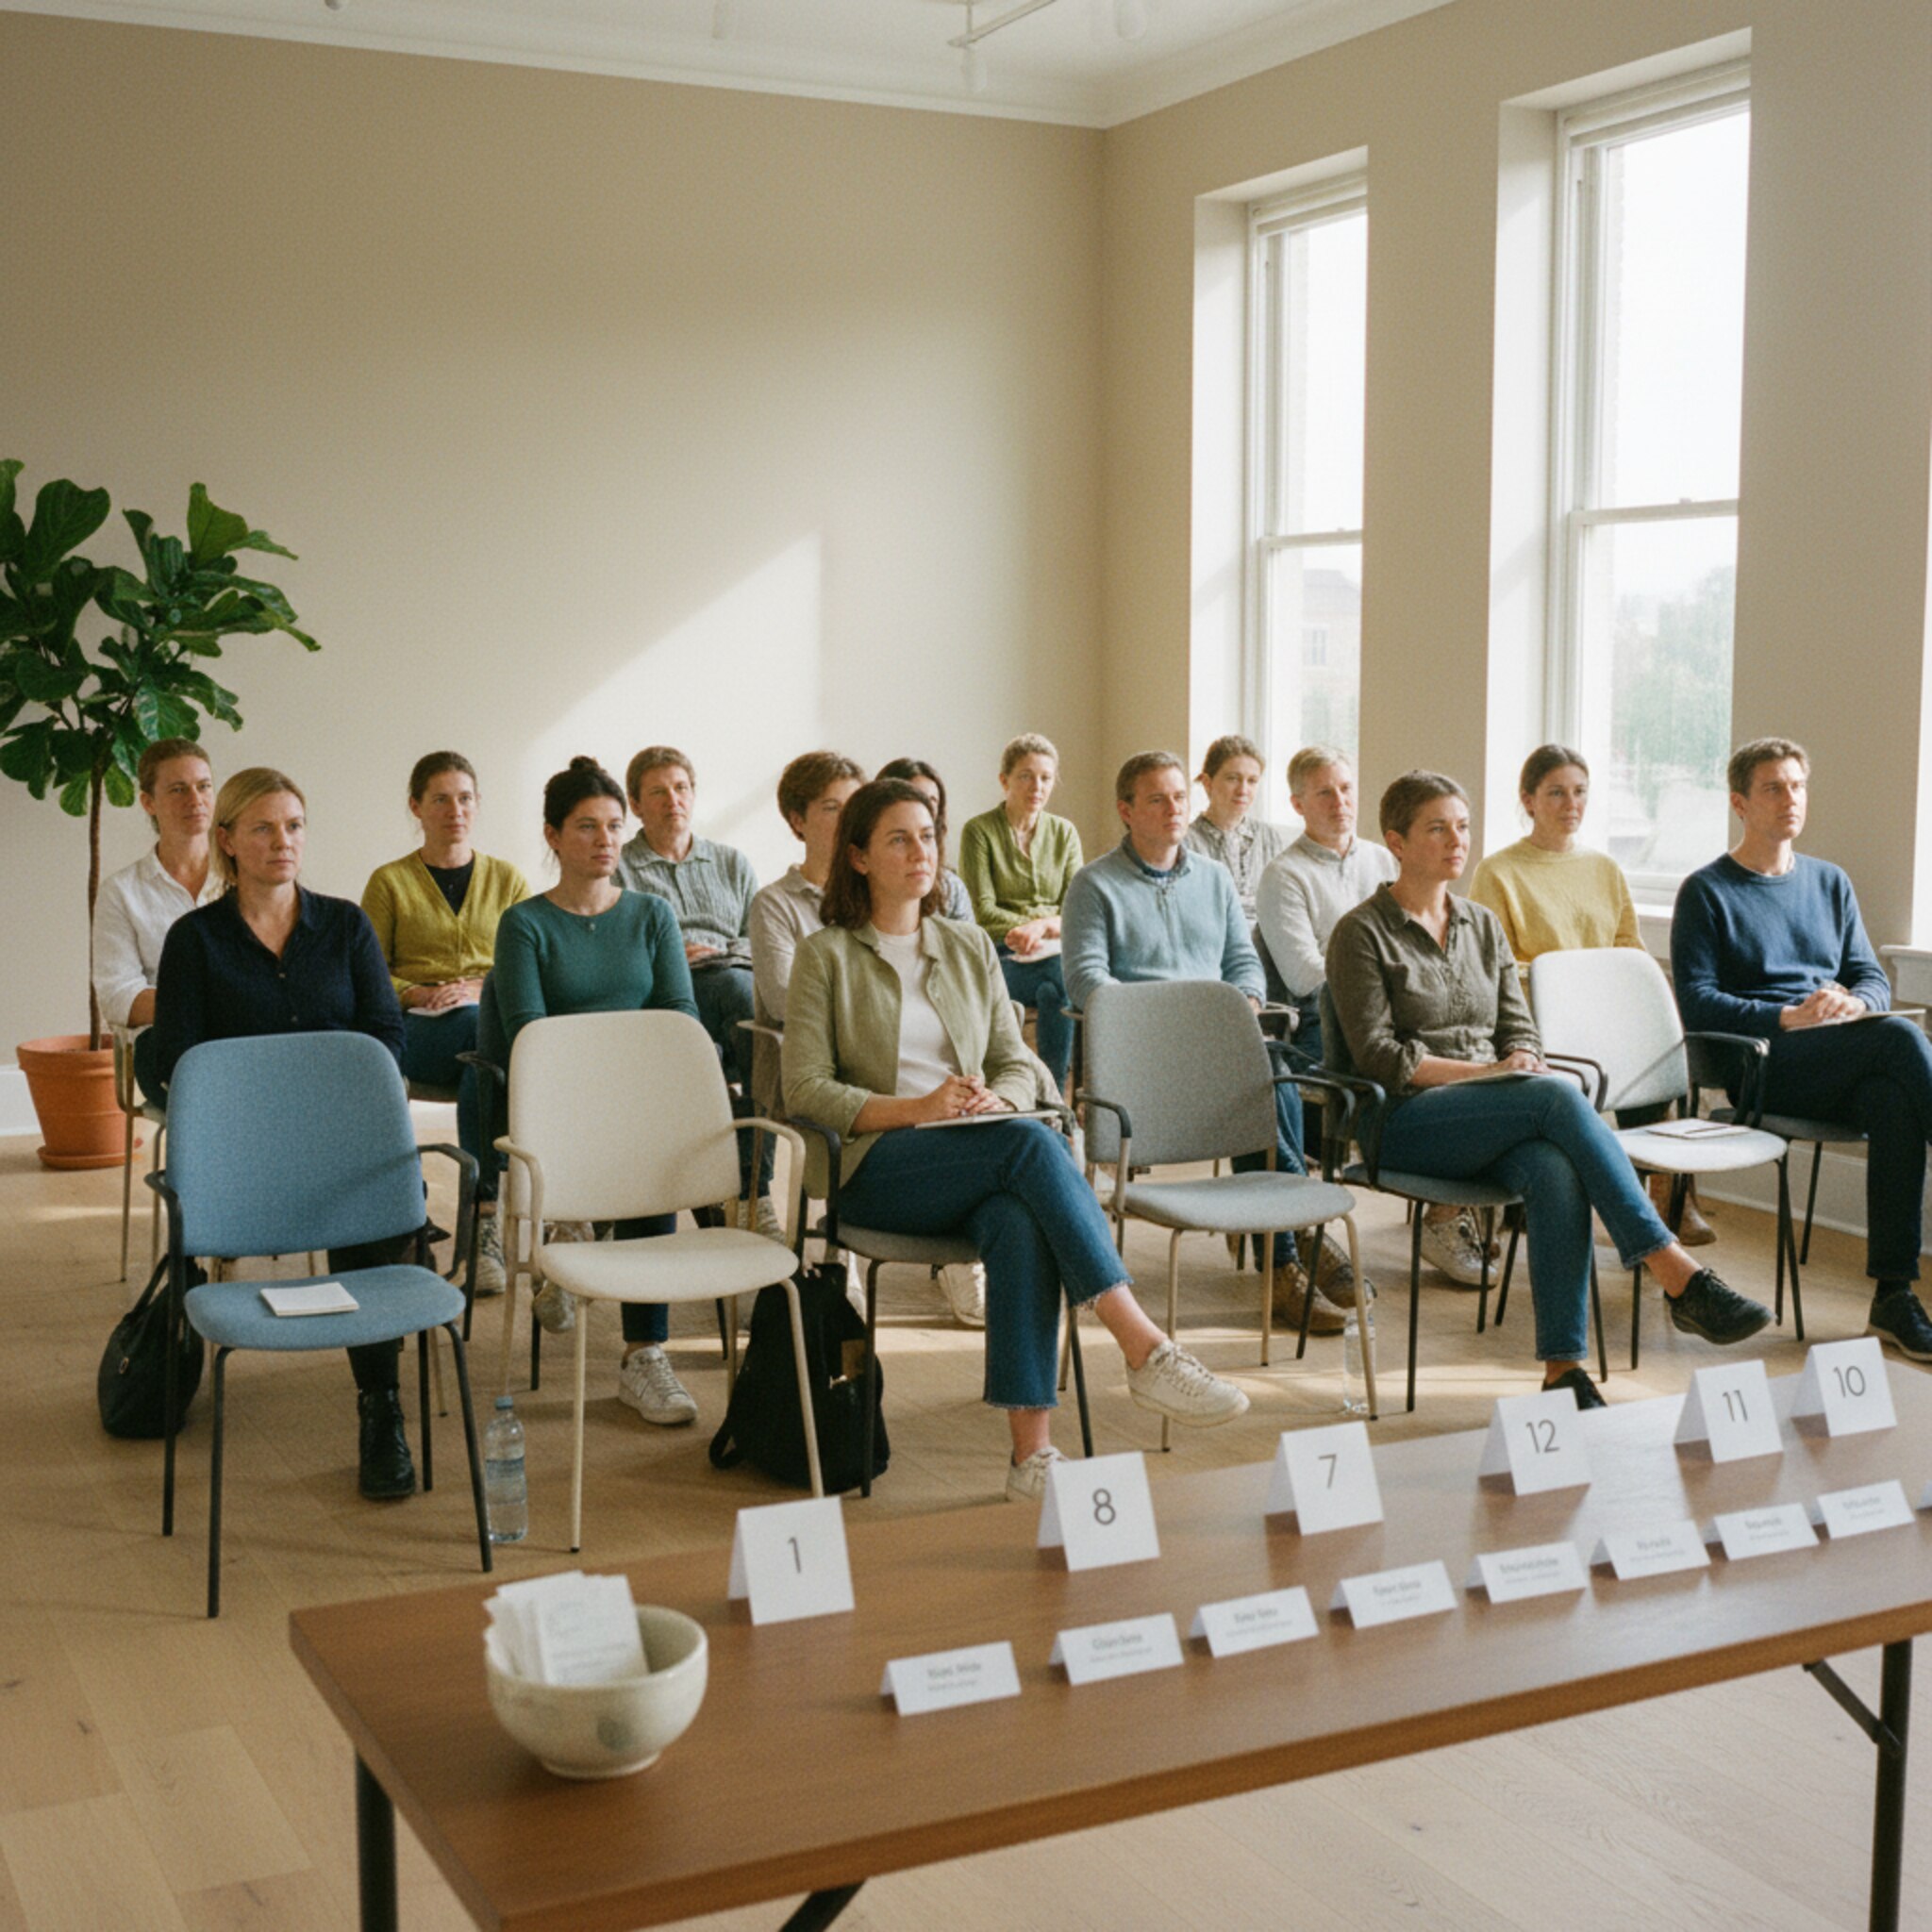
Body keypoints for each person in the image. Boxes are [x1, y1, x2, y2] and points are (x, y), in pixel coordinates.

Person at [783, 778, 1249, 1501]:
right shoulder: (827, 956)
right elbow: (805, 1090)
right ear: (859, 859)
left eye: (928, 836)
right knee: (1031, 1150)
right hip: (874, 1166)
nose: (921, 852)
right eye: (898, 839)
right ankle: (1142, 1345)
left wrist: (1005, 1096)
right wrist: (919, 1108)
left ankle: (1031, 1460)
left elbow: (1014, 1056)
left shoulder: (967, 945)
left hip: (975, 1148)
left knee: (1017, 1220)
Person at [1325, 771, 1771, 1407]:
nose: (1458, 840)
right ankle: (1675, 1272)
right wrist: (1490, 1075)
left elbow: (1518, 1026)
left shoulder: (1480, 924)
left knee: (1553, 1166)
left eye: (1463, 825)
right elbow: (1379, 1057)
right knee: (1558, 1096)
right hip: (1403, 1122)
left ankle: (1564, 1372)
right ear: (1395, 841)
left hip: (1493, 1109)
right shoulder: (1361, 932)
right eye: (1437, 828)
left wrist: (1519, 1060)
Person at [150, 768, 420, 1500]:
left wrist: (339, 1097)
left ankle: (380, 1403)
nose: (283, 842)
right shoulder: (195, 940)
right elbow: (176, 1058)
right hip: (242, 1154)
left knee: (373, 1195)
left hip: (337, 1139)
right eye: (264, 828)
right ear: (229, 840)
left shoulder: (346, 925)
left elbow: (386, 1035)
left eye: (295, 826)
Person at [1061, 750, 1352, 1336]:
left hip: (1213, 1052)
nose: (1175, 809)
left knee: (1268, 1077)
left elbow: (1242, 961)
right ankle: (1296, 1243)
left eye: (1179, 797)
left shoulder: (1214, 879)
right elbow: (1086, 980)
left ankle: (1283, 1263)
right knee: (1256, 1084)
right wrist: (1177, 1018)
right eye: (1157, 799)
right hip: (1139, 1058)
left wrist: (1242, 998)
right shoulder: (1094, 884)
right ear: (1126, 811)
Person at [1673, 738, 1932, 1361]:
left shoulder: (1829, 882)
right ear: (1739, 802)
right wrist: (1788, 1016)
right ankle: (1895, 1298)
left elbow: (1870, 975)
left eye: (1798, 786)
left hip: (1841, 1052)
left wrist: (1855, 1005)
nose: (1791, 799)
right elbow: (1699, 1005)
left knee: (1891, 1099)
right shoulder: (1706, 892)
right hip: (1762, 1064)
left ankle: (1892, 1296)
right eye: (1774, 788)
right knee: (1900, 1037)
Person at [491, 758, 711, 1426]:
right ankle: (573, 1234)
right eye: (586, 826)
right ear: (554, 836)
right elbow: (530, 1035)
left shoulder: (651, 915)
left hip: (636, 1101)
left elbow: (681, 1019)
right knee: (637, 1139)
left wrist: (632, 1077)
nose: (605, 840)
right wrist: (615, 1065)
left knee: (656, 1145)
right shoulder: (524, 924)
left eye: (615, 826)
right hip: (562, 1108)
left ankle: (643, 1353)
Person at [1470, 743, 1709, 1243]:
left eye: (1579, 792)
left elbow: (1629, 950)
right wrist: (1570, 982)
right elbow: (1497, 963)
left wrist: (1596, 988)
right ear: (1529, 799)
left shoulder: (1605, 869)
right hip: (1538, 1021)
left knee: (1646, 1055)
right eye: (1555, 792)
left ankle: (1668, 1193)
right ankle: (1546, 1193)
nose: (1570, 803)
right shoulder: (1499, 871)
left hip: (1605, 1018)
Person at [360, 753, 529, 1295]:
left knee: (480, 1065)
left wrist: (480, 988)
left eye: (464, 798)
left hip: (485, 1027)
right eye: (440, 799)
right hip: (417, 1029)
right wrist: (419, 991)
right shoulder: (389, 882)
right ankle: (485, 1226)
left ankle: (480, 1225)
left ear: (477, 806)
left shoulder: (507, 880)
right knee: (483, 1048)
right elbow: (366, 972)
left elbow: (528, 960)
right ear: (416, 806)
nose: (454, 810)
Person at [616, 746, 774, 1237]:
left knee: (751, 1011)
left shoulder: (731, 862)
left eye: (681, 788)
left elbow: (760, 936)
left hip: (731, 974)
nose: (673, 800)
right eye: (658, 792)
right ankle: (754, 1195)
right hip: (665, 994)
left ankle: (753, 1190)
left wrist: (722, 948)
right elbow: (619, 946)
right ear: (636, 804)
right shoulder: (621, 868)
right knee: (746, 1007)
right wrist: (670, 954)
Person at [92, 737, 221, 1102]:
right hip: (168, 1044)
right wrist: (213, 1003)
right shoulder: (121, 891)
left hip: (248, 1036)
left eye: (204, 786)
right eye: (178, 789)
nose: (195, 800)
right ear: (148, 802)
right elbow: (118, 996)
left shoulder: (247, 879)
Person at [958, 734, 1082, 1094]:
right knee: (1060, 983)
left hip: (1051, 952)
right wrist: (1026, 931)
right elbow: (983, 911)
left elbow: (1077, 909)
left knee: (1054, 988)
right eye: (1026, 776)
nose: (1037, 787)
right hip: (1001, 956)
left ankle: (1047, 1095)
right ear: (1005, 780)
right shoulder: (979, 831)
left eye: (1046, 777)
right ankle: (1054, 1096)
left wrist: (1042, 928)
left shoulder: (1064, 833)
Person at [1184, 734, 1291, 924]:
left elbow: (1283, 904)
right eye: (1233, 778)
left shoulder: (1269, 838)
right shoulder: (1185, 843)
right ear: (1208, 783)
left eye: (1252, 781)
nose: (1243, 790)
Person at [876, 758, 973, 921]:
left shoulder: (950, 887)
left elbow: (969, 943)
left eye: (932, 800)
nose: (925, 807)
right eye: (916, 796)